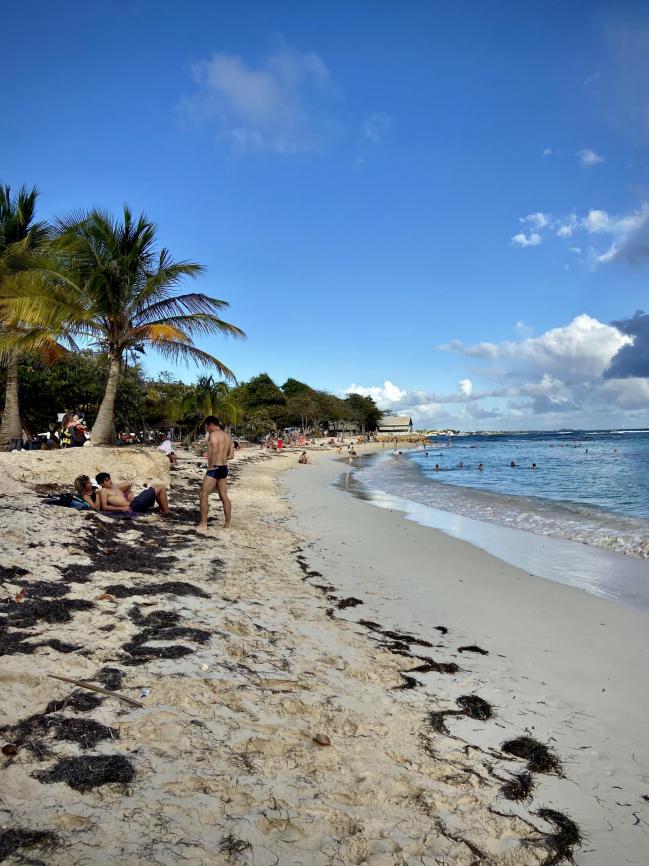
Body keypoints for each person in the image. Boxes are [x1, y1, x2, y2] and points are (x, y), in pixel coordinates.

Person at [197, 416, 234, 532]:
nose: (207, 430)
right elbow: (231, 456)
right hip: (224, 467)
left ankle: (203, 524)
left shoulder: (212, 436)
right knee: (224, 496)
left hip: (214, 468)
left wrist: (210, 468)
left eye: (207, 427)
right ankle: (228, 524)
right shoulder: (228, 437)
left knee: (203, 494)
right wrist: (222, 457)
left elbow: (211, 455)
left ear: (210, 425)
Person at [96, 472, 170, 514]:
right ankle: (166, 512)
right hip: (134, 505)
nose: (110, 481)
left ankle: (163, 510)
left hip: (135, 502)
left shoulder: (114, 488)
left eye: (110, 479)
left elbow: (128, 484)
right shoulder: (103, 491)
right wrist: (122, 508)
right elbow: (104, 507)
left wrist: (129, 492)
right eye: (107, 480)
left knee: (155, 486)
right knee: (161, 487)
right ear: (101, 484)